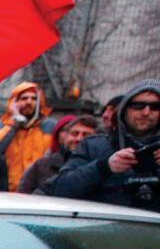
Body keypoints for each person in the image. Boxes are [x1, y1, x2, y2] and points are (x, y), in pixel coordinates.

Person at [47, 81, 160, 212]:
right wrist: (104, 167)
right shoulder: (93, 146)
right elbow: (59, 189)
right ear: (124, 109)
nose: (146, 112)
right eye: (138, 106)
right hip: (101, 223)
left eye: (155, 107)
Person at [0, 81, 54, 191]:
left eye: (34, 99)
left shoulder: (49, 127)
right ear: (14, 102)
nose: (29, 102)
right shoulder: (1, 126)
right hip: (5, 192)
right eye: (24, 98)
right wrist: (14, 123)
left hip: (37, 193)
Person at [17, 114, 96, 196]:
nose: (79, 139)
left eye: (86, 135)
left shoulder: (99, 169)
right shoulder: (41, 166)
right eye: (74, 134)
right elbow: (23, 197)